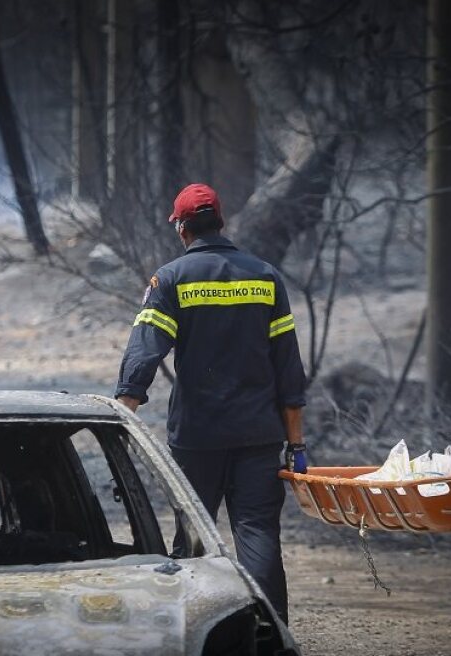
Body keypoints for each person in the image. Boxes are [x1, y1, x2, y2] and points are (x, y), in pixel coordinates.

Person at [114, 183, 308, 624]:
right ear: (220, 221)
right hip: (259, 435)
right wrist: (296, 444)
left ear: (182, 228)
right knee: (258, 534)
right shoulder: (265, 277)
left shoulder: (171, 279)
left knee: (193, 538)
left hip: (197, 437)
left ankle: (187, 630)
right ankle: (269, 632)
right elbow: (288, 368)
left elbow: (145, 353)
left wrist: (122, 420)